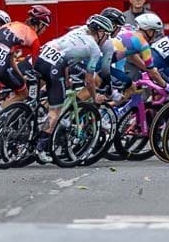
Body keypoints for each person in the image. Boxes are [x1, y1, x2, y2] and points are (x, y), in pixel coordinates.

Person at [33, 14, 111, 156]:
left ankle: (33, 110)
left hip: (41, 58)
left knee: (52, 88)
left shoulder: (78, 31)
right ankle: (40, 148)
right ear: (100, 32)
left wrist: (66, 78)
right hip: (54, 66)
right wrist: (94, 98)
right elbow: (89, 80)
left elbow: (66, 57)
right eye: (107, 35)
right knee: (55, 111)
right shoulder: (94, 49)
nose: (107, 39)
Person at [0, 6, 51, 126]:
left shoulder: (12, 24)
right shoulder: (33, 38)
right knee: (23, 93)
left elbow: (10, 57)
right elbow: (37, 67)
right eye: (45, 27)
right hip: (0, 63)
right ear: (40, 24)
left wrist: (21, 79)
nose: (44, 31)